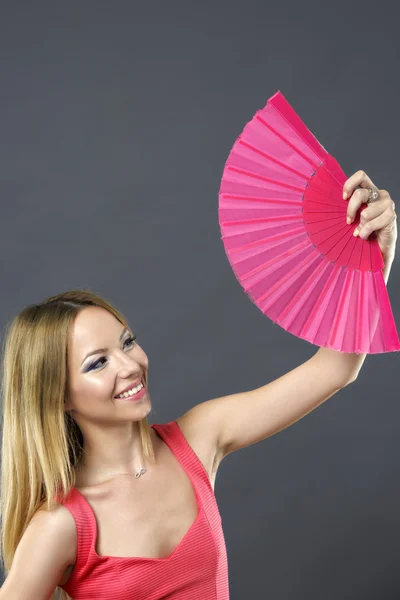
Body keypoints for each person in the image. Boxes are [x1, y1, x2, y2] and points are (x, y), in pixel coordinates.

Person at [0, 169, 397, 600]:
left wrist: (375, 256)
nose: (130, 365)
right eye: (98, 363)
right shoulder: (59, 525)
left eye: (127, 342)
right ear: (57, 396)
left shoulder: (198, 438)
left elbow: (336, 368)